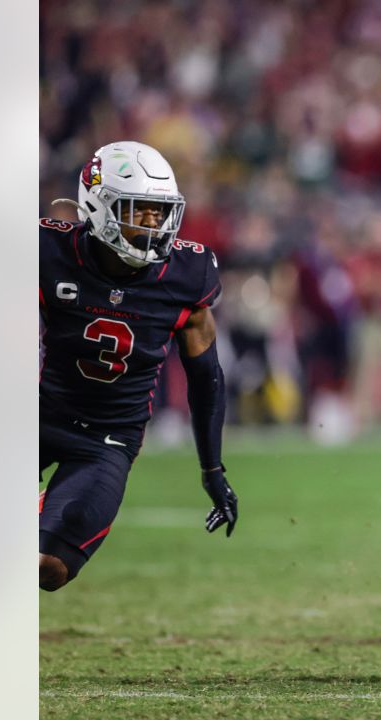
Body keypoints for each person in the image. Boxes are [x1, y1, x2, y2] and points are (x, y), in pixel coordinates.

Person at [39, 141, 238, 591]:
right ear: (97, 203)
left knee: (50, 567)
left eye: (159, 211)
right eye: (138, 210)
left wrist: (213, 470)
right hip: (31, 416)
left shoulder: (188, 274)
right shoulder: (44, 250)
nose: (153, 224)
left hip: (106, 438)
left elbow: (206, 377)